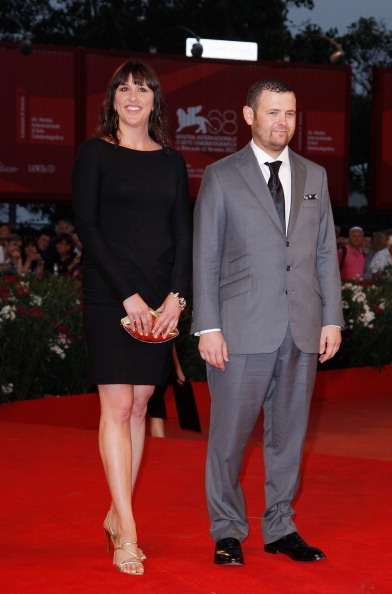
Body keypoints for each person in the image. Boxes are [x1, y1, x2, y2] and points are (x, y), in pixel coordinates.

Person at [192, 77, 343, 566]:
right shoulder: (220, 175)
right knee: (229, 438)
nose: (283, 123)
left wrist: (332, 318)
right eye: (273, 112)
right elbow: (206, 257)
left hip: (301, 326)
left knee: (288, 436)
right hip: (239, 330)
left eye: (291, 114)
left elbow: (324, 255)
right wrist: (207, 326)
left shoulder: (315, 175)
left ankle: (280, 526)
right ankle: (227, 529)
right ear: (249, 115)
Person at [72, 60, 192, 576]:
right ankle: (127, 530)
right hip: (111, 296)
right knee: (117, 407)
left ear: (154, 101)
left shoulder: (171, 161)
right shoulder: (95, 153)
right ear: (113, 100)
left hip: (161, 299)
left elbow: (185, 236)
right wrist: (130, 297)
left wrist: (176, 299)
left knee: (142, 406)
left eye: (142, 88)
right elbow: (88, 226)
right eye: (124, 88)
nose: (133, 95)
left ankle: (116, 512)